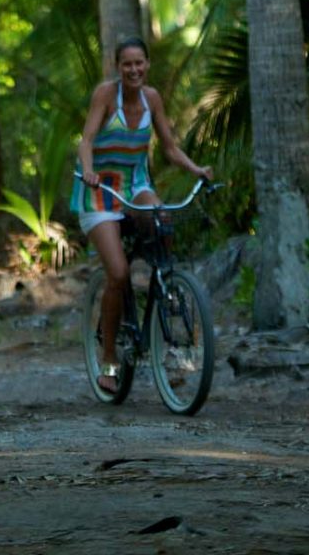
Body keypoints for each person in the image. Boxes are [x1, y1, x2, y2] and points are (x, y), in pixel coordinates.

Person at [71, 36, 209, 388]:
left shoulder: (152, 99)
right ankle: (110, 362)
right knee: (117, 273)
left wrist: (196, 171)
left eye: (139, 63)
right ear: (118, 68)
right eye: (127, 64)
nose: (134, 69)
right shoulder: (105, 95)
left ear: (147, 65)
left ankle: (164, 300)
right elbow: (86, 140)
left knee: (163, 226)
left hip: (135, 186)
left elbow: (170, 147)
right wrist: (88, 170)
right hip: (99, 191)